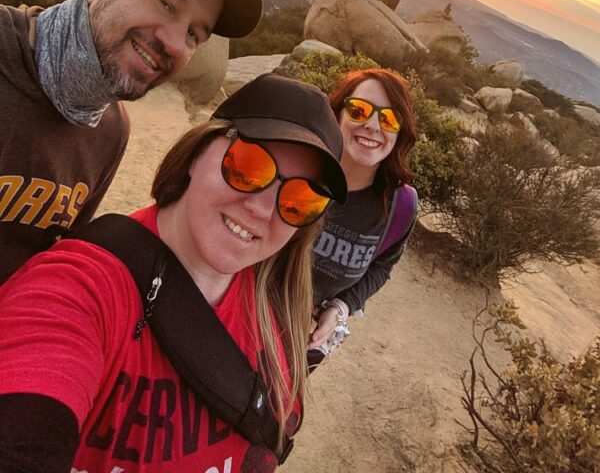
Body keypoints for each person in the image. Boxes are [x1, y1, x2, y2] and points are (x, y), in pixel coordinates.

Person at [0, 73, 347, 472]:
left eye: (301, 198)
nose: (263, 209)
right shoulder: (82, 285)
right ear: (198, 153)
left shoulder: (278, 313)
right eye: (249, 166)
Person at [0, 0, 263, 280]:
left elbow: (49, 257)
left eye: (193, 35)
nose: (173, 43)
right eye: (166, 3)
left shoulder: (110, 129)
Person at [308, 68, 418, 366]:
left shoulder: (401, 205)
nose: (372, 125)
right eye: (359, 111)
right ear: (338, 114)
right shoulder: (302, 169)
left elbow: (381, 266)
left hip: (306, 339)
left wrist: (342, 307)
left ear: (400, 130)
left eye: (389, 118)